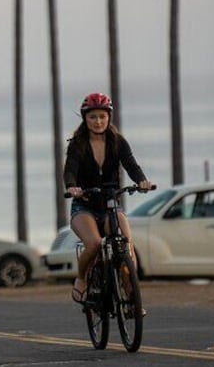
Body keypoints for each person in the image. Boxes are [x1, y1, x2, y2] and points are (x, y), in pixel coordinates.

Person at [63, 92, 153, 301]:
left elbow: (132, 165)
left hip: (111, 204)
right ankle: (82, 278)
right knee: (94, 244)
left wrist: (142, 181)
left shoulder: (118, 142)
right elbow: (70, 170)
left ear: (109, 117)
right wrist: (72, 186)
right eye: (93, 117)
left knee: (126, 245)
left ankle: (131, 296)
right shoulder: (78, 143)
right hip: (84, 206)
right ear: (85, 119)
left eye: (102, 116)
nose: (98, 121)